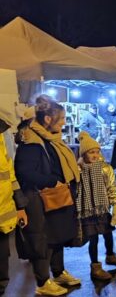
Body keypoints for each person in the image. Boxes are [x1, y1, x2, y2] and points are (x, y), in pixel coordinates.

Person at [15, 96, 81, 296]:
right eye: (60, 118)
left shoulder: (49, 139)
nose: (64, 122)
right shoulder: (32, 142)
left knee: (57, 234)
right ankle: (43, 282)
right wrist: (53, 181)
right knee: (42, 239)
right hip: (38, 199)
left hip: (55, 197)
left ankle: (58, 272)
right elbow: (25, 172)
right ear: (47, 120)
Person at [76, 131, 116, 280]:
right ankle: (95, 267)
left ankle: (110, 256)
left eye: (97, 151)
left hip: (102, 208)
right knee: (93, 239)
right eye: (91, 152)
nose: (95, 155)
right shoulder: (78, 170)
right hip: (87, 211)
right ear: (84, 153)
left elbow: (112, 188)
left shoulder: (105, 168)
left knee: (108, 233)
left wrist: (115, 207)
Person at [0, 112, 28, 296]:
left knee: (2, 255)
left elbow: (10, 174)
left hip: (4, 214)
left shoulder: (1, 139)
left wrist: (20, 207)